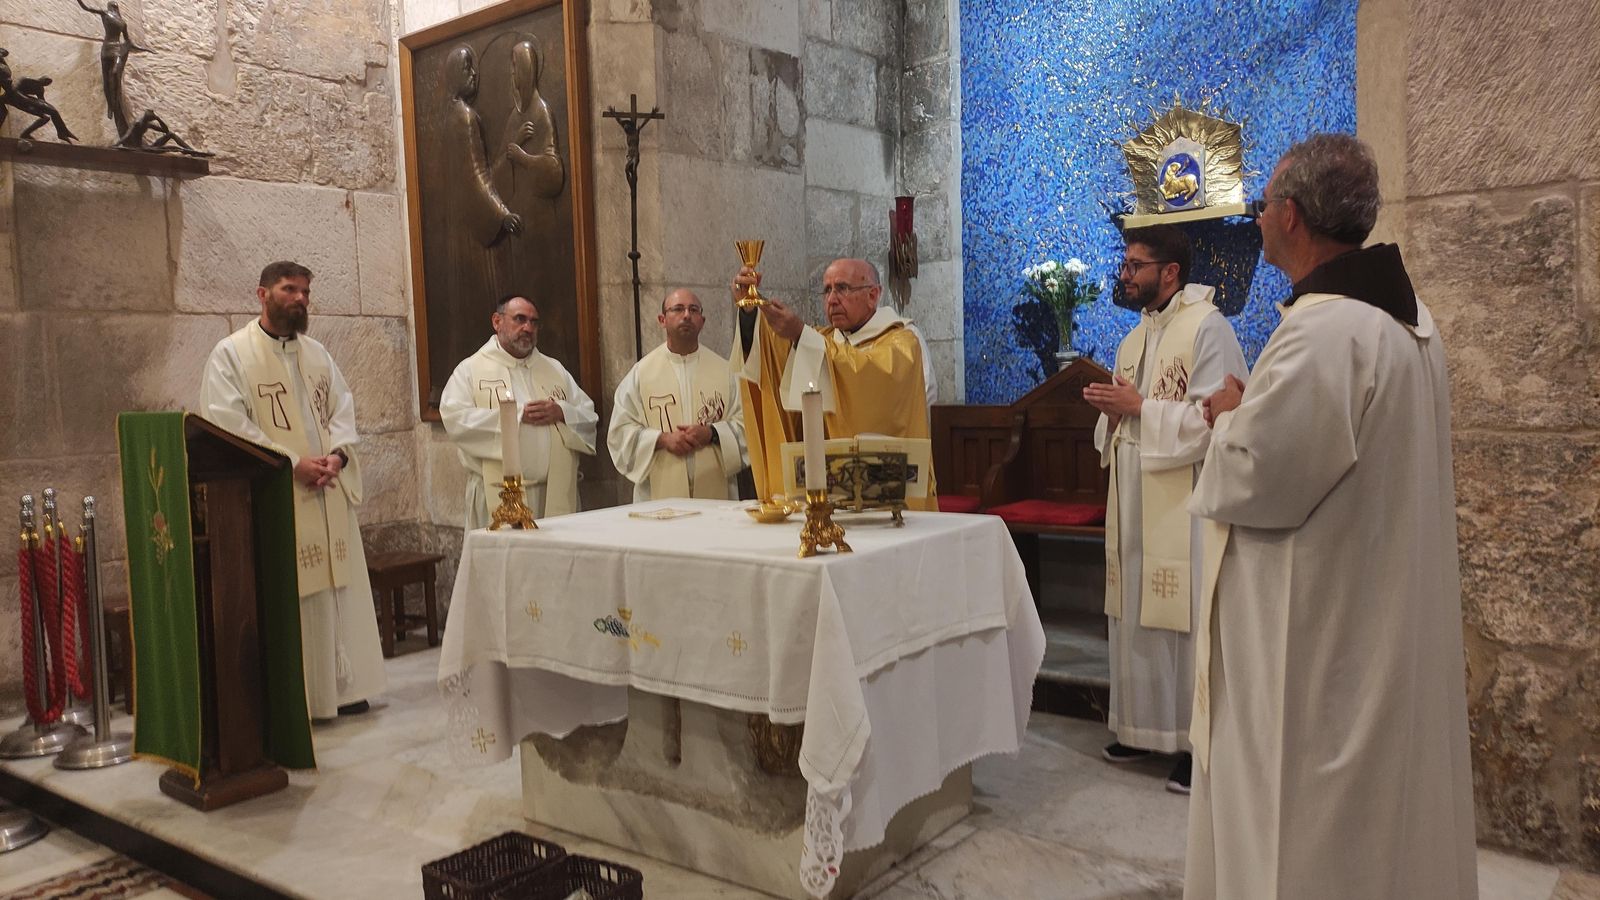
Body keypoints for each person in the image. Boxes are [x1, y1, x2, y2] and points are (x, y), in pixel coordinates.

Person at [1184, 134, 1476, 899]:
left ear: (1291, 214)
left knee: (1303, 831)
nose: (1256, 218)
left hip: (1319, 643)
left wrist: (1227, 417)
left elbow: (1255, 475)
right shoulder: (1410, 320)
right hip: (1372, 611)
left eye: (1262, 204)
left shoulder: (1324, 331)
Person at [1082, 224, 1246, 795]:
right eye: (1125, 264)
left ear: (1170, 272)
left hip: (1183, 495)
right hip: (1132, 490)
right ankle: (1141, 729)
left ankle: (1192, 743)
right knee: (1132, 611)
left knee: (1185, 621)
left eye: (1136, 265)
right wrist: (1112, 414)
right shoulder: (1133, 339)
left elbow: (1219, 419)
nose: (1125, 275)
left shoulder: (1209, 328)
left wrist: (1139, 410)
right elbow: (1125, 415)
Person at [198, 261, 386, 720]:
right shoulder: (231, 355)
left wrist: (338, 455)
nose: (300, 299)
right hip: (278, 495)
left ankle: (343, 690)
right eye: (289, 289)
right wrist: (290, 463)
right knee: (294, 596)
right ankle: (299, 696)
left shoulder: (318, 354)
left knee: (339, 590)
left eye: (305, 291)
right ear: (262, 294)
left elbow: (342, 409)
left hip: (327, 491)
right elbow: (227, 424)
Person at [732, 257, 937, 508]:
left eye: (842, 288)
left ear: (873, 295)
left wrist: (801, 334)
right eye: (827, 290)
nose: (832, 299)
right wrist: (752, 309)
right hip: (826, 493)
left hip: (889, 492)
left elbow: (874, 378)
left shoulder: (903, 341)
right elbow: (772, 356)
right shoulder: (821, 339)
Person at [441, 294, 597, 528]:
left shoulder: (554, 369)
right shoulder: (470, 370)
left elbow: (589, 416)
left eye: (534, 322)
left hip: (553, 494)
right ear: (497, 321)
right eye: (520, 319)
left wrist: (562, 412)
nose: (528, 328)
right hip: (497, 494)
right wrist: (515, 416)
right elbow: (455, 419)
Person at [608, 289, 748, 501]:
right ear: (662, 320)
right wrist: (662, 439)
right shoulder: (640, 374)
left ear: (702, 321)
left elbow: (748, 426)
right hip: (657, 499)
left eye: (693, 310)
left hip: (716, 497)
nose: (686, 315)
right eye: (678, 309)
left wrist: (711, 433)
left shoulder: (725, 372)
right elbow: (620, 432)